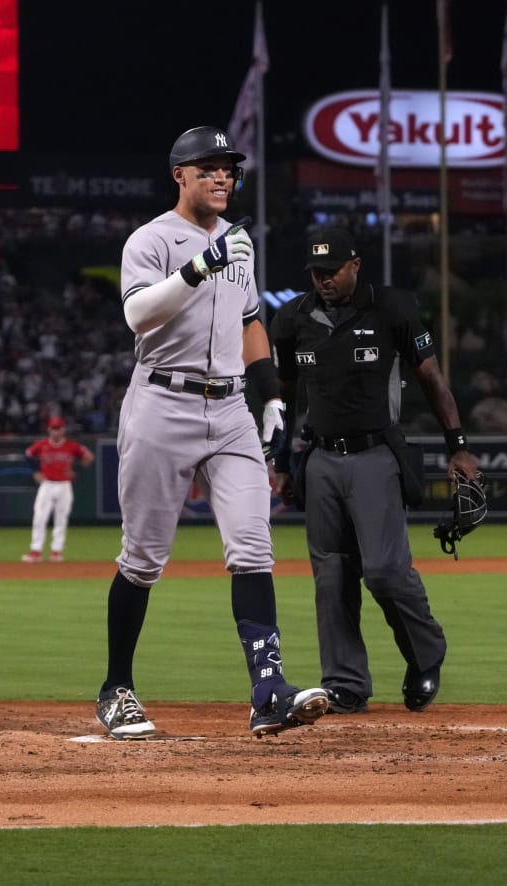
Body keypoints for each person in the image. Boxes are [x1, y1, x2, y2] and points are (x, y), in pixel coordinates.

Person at [95, 125, 328, 740]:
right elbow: (136, 313)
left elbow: (251, 323)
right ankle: (116, 688)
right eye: (208, 168)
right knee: (142, 559)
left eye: (228, 168)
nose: (222, 177)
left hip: (229, 410)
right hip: (161, 403)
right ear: (180, 176)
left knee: (252, 548)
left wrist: (273, 399)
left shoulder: (238, 242)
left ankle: (268, 690)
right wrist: (201, 265)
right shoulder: (151, 240)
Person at [269, 226, 479, 714]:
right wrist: (280, 461)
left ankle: (426, 654)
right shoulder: (292, 319)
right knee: (332, 576)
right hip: (318, 459)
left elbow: (432, 379)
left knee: (384, 570)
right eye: (316, 272)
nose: (323, 280)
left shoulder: (391, 308)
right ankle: (345, 682)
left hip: (374, 456)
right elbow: (282, 395)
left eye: (332, 270)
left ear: (355, 264)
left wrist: (459, 447)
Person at [22, 415, 94, 562]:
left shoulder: (72, 446)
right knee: (39, 517)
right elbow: (27, 455)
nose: (56, 432)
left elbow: (89, 457)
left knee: (61, 519)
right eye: (53, 429)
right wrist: (36, 472)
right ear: (49, 430)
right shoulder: (41, 445)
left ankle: (56, 551)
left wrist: (77, 469)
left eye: (58, 428)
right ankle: (36, 551)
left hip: (64, 485)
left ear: (63, 430)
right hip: (47, 484)